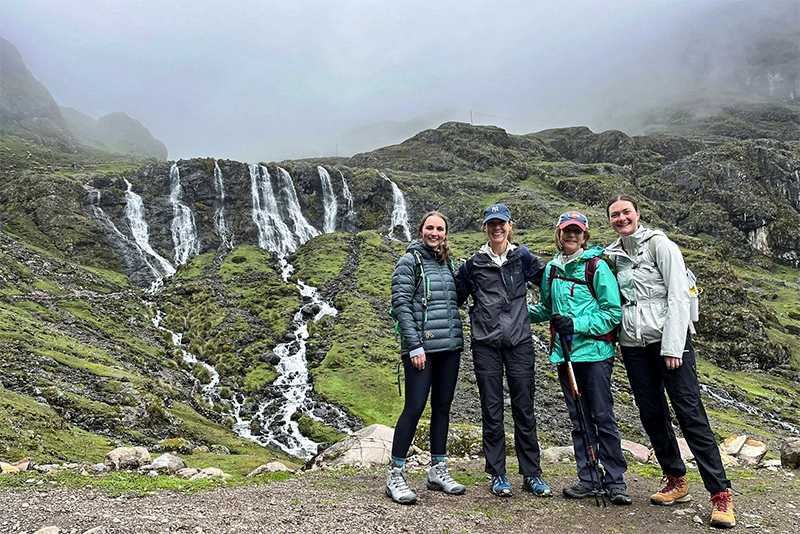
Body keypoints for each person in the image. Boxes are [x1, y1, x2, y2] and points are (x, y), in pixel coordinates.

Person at [604, 195, 735, 529]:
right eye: (615, 215)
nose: (622, 219)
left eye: (626, 213)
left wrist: (674, 346)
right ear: (610, 220)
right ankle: (676, 479)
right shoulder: (612, 255)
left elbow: (678, 296)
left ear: (638, 214)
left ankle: (720, 494)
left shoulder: (661, 246)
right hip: (633, 344)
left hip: (668, 341)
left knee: (689, 412)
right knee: (651, 413)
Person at [528, 211, 631, 505]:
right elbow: (546, 309)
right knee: (579, 419)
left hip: (595, 354)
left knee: (602, 416)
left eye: (577, 232)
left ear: (585, 236)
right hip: (566, 354)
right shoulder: (551, 269)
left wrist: (576, 324)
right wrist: (511, 314)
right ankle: (588, 478)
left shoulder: (596, 267)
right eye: (566, 231)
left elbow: (612, 312)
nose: (571, 236)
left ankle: (615, 481)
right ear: (559, 235)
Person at [456, 203, 552, 498]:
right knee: (492, 408)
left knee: (524, 407)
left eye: (502, 223)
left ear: (510, 225)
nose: (497, 228)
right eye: (491, 223)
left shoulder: (522, 258)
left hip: (520, 343)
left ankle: (531, 474)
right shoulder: (472, 265)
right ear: (484, 228)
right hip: (486, 345)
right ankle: (498, 473)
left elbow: (548, 282)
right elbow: (454, 299)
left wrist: (546, 313)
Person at [386, 211, 466, 505]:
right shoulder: (410, 261)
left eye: (440, 229)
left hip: (450, 347)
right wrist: (414, 345)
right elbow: (401, 304)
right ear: (421, 231)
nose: (435, 233)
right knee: (415, 407)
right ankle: (395, 473)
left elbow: (455, 300)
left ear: (446, 233)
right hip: (421, 349)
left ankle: (438, 469)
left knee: (442, 407)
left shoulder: (447, 263)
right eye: (430, 228)